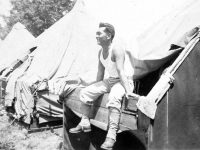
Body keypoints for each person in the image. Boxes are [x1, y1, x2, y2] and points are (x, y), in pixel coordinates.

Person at [69, 22, 137, 150]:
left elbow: (121, 71)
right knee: (85, 92)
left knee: (114, 97)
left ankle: (111, 136)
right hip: (110, 80)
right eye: (96, 34)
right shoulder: (100, 52)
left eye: (99, 33)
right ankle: (85, 122)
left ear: (109, 35)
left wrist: (129, 91)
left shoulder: (117, 49)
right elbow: (100, 73)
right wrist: (96, 88)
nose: (96, 36)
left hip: (124, 81)